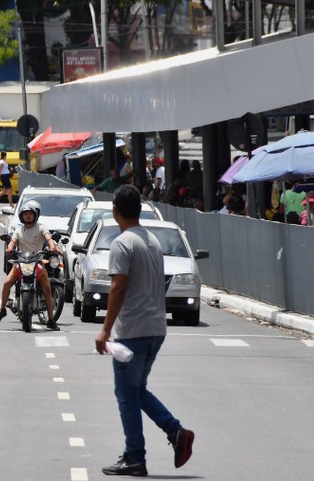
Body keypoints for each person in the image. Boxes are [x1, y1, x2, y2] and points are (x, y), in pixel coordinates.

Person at [95, 184, 194, 476]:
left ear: (116, 211)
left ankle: (135, 456)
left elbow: (117, 287)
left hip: (133, 331)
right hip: (155, 328)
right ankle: (176, 432)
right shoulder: (152, 240)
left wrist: (104, 331)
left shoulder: (122, 243)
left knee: (126, 394)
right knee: (136, 390)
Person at [0, 200, 59, 331]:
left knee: (47, 289)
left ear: (35, 215)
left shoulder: (41, 227)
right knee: (7, 283)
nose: (28, 216)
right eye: (25, 214)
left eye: (30, 214)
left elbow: (48, 238)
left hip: (38, 263)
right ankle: (2, 310)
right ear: (21, 216)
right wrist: (10, 248)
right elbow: (12, 241)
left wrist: (52, 246)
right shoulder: (18, 229)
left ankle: (51, 319)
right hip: (21, 262)